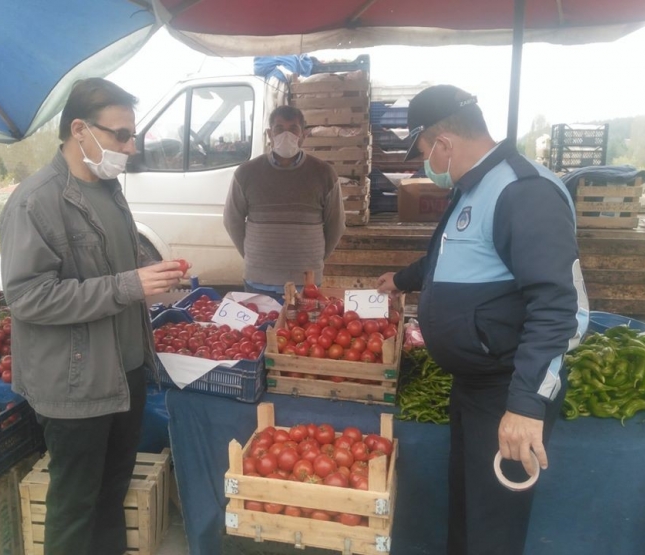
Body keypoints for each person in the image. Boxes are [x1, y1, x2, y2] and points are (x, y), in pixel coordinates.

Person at [377, 85, 589, 555]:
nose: (422, 166)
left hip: (506, 392)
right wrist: (404, 278)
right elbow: (453, 259)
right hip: (474, 386)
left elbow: (559, 309)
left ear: (445, 144)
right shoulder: (473, 185)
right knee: (469, 514)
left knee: (493, 529)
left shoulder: (523, 190)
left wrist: (526, 405)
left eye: (424, 152)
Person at [0, 78, 185, 555]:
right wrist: (128, 285)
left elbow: (108, 272)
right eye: (121, 134)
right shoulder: (35, 202)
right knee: (75, 502)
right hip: (75, 382)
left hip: (124, 372)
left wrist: (149, 275)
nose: (131, 145)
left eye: (132, 134)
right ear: (79, 129)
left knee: (110, 493)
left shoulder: (109, 187)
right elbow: (29, 298)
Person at [223, 105, 345, 299]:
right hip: (259, 281)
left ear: (303, 134)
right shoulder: (246, 173)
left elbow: (336, 224)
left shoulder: (324, 173)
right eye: (279, 129)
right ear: (270, 134)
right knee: (261, 330)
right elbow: (232, 220)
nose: (286, 134)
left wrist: (315, 259)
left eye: (293, 128)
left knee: (304, 330)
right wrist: (252, 256)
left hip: (306, 281)